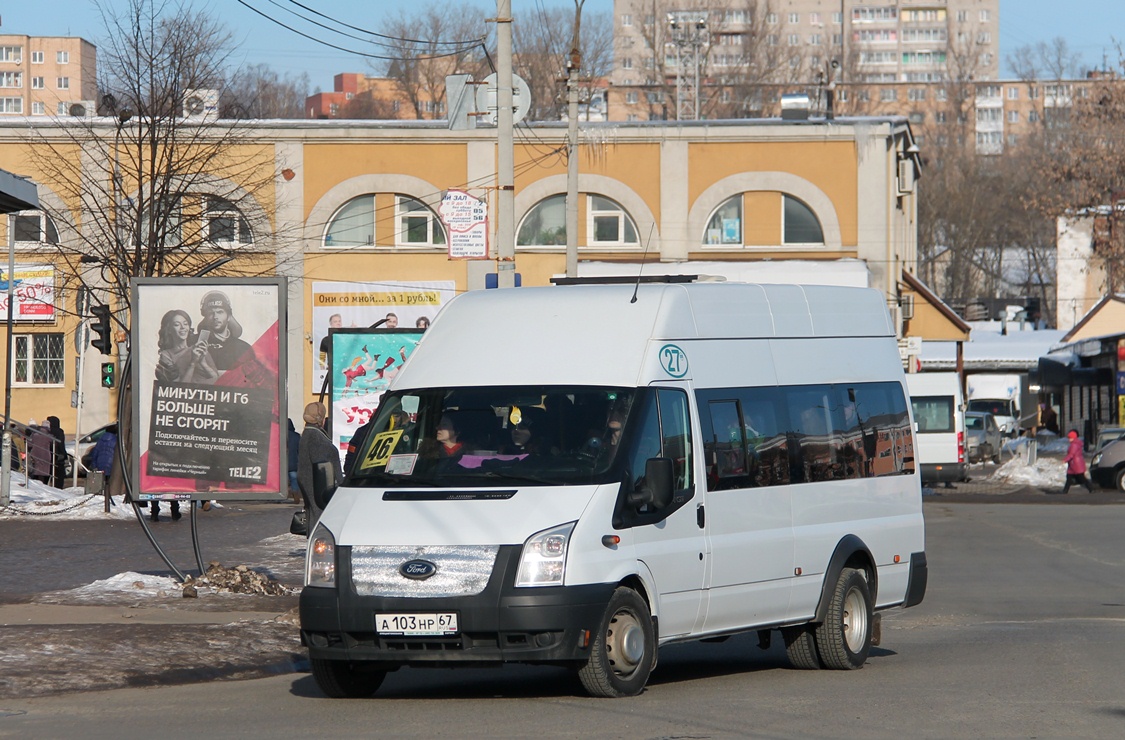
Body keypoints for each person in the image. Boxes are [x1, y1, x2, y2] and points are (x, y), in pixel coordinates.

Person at [297, 401, 342, 534]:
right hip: (322, 493)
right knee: (321, 525)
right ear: (320, 418)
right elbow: (323, 470)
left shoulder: (309, 433)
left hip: (313, 488)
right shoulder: (316, 437)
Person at [155, 309, 218, 384]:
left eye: (185, 324)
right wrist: (193, 362)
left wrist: (203, 362)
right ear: (169, 330)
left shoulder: (199, 349)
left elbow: (218, 380)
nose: (183, 327)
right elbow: (179, 389)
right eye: (177, 324)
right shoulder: (166, 355)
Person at [197, 290, 252, 371]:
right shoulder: (195, 344)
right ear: (206, 318)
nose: (215, 317)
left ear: (229, 317)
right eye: (210, 313)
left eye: (220, 312)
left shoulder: (244, 348)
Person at [1061, 429, 1094, 494]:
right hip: (1076, 464)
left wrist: (1065, 460)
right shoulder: (1076, 443)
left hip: (1075, 464)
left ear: (1073, 438)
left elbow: (1071, 454)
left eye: (1070, 438)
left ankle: (1091, 488)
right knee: (1070, 477)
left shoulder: (1074, 445)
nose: (1069, 439)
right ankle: (1065, 491)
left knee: (1080, 478)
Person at [47, 416, 66, 488]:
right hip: (58, 456)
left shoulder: (47, 431)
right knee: (59, 476)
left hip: (48, 454)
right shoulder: (60, 431)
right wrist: (64, 454)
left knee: (48, 473)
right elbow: (61, 444)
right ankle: (58, 488)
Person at [287, 418, 301, 501]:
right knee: (294, 479)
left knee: (280, 482)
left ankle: (281, 497)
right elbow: (299, 450)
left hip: (281, 463)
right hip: (293, 462)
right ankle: (295, 493)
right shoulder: (297, 436)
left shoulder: (278, 435)